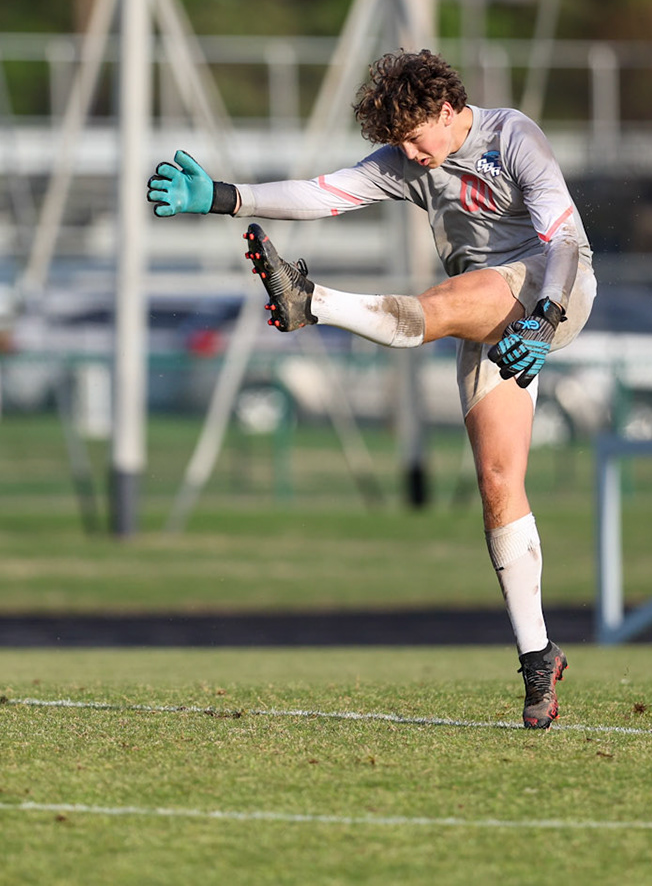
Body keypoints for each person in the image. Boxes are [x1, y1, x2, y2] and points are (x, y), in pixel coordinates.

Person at [148, 50, 595, 729]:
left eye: (419, 137)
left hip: (554, 288)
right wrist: (223, 197)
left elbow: (562, 238)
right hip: (486, 313)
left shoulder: (512, 136)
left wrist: (546, 316)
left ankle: (313, 303)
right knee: (500, 484)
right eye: (401, 143)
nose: (413, 154)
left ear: (449, 110)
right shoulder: (408, 160)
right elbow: (324, 194)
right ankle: (539, 658)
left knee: (444, 300)